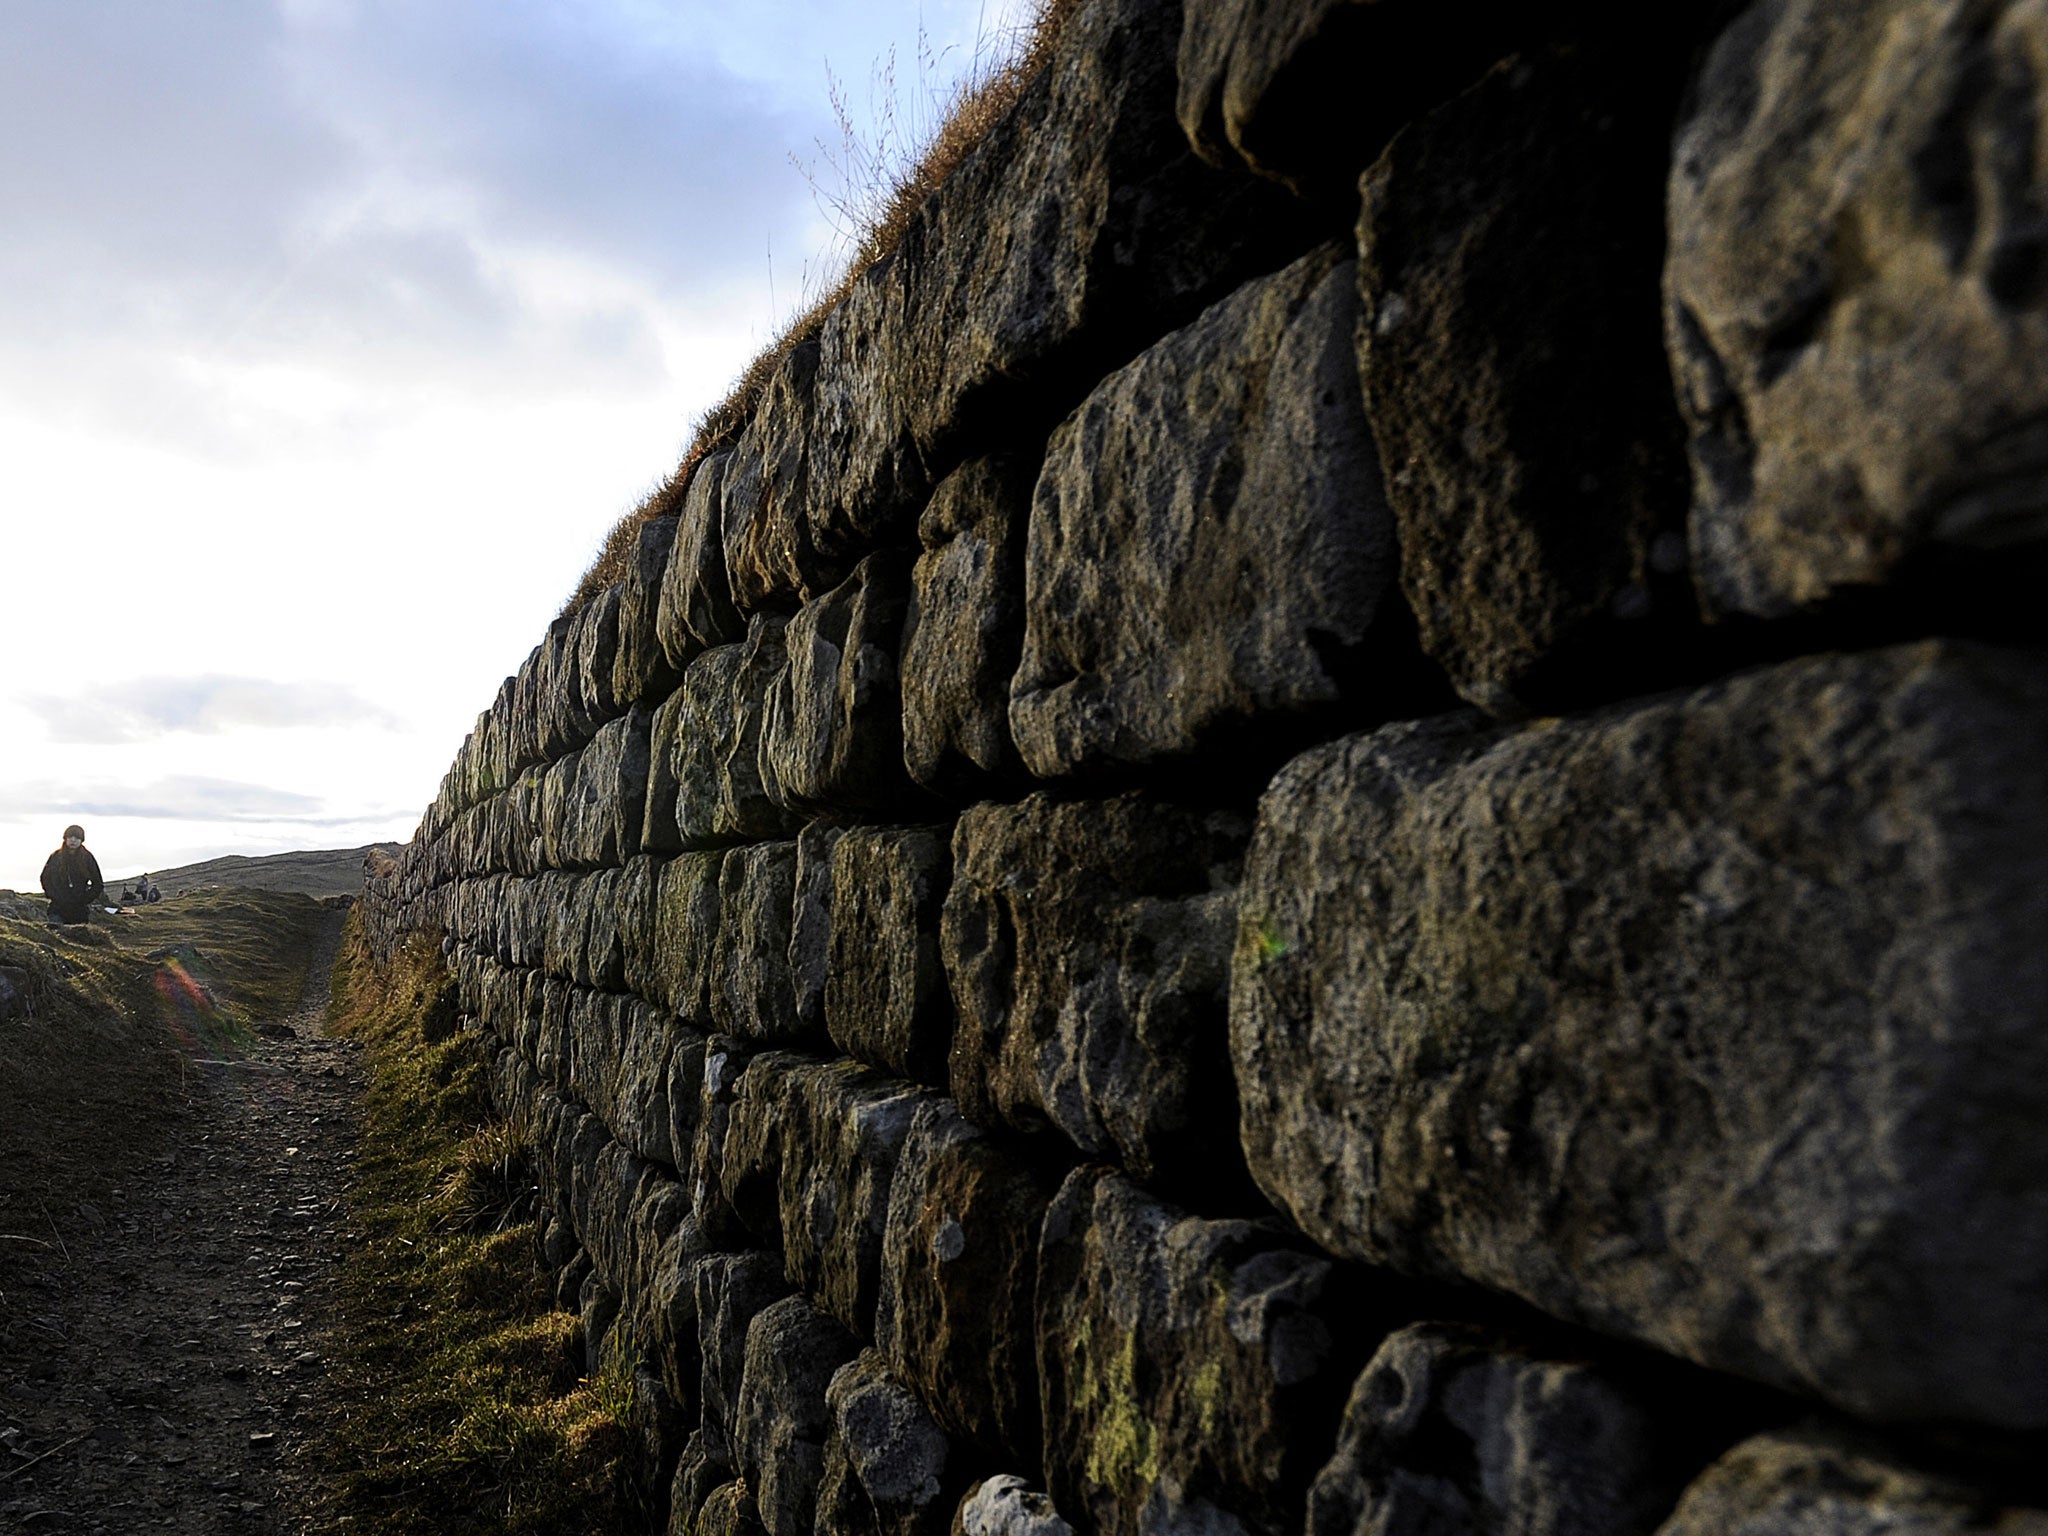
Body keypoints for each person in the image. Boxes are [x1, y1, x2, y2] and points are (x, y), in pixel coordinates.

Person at [40, 824, 105, 927]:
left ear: (82, 840)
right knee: (56, 935)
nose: (73, 840)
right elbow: (45, 878)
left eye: (77, 838)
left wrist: (85, 899)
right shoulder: (56, 856)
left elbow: (97, 883)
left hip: (79, 910)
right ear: (65, 839)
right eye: (70, 837)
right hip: (57, 908)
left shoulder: (87, 858)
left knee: (78, 939)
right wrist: (54, 896)